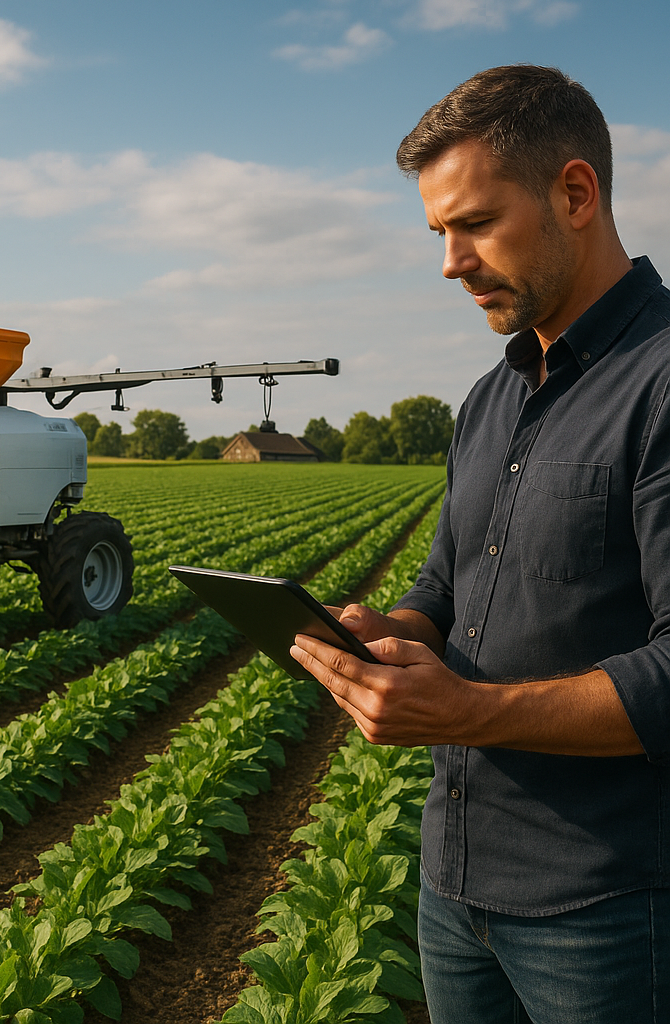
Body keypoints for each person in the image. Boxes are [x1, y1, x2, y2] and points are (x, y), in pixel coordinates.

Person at [290, 64, 670, 1023]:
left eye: (475, 224)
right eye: (439, 233)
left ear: (575, 194)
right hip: (455, 888)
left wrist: (464, 710)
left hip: (612, 908)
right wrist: (387, 629)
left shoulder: (661, 384)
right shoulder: (492, 396)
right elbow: (446, 588)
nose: (451, 261)